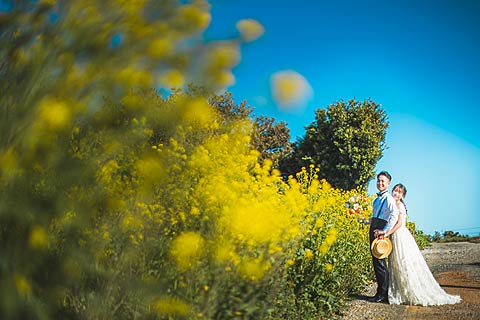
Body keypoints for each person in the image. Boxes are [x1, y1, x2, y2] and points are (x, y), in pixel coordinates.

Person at [375, 183, 461, 306]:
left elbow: (399, 224)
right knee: (396, 263)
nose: (396, 193)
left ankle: (411, 291)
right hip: (394, 236)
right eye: (395, 191)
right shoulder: (392, 205)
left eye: (400, 192)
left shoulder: (400, 205)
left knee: (404, 262)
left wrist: (387, 233)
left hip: (400, 236)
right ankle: (401, 292)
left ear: (403, 196)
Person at [368, 171, 399, 303]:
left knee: (380, 263)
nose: (380, 183)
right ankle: (379, 292)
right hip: (374, 228)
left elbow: (394, 216)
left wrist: (385, 232)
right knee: (376, 262)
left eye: (383, 181)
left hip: (380, 231)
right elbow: (376, 216)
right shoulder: (376, 199)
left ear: (388, 183)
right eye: (378, 181)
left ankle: (384, 294)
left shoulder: (389, 199)